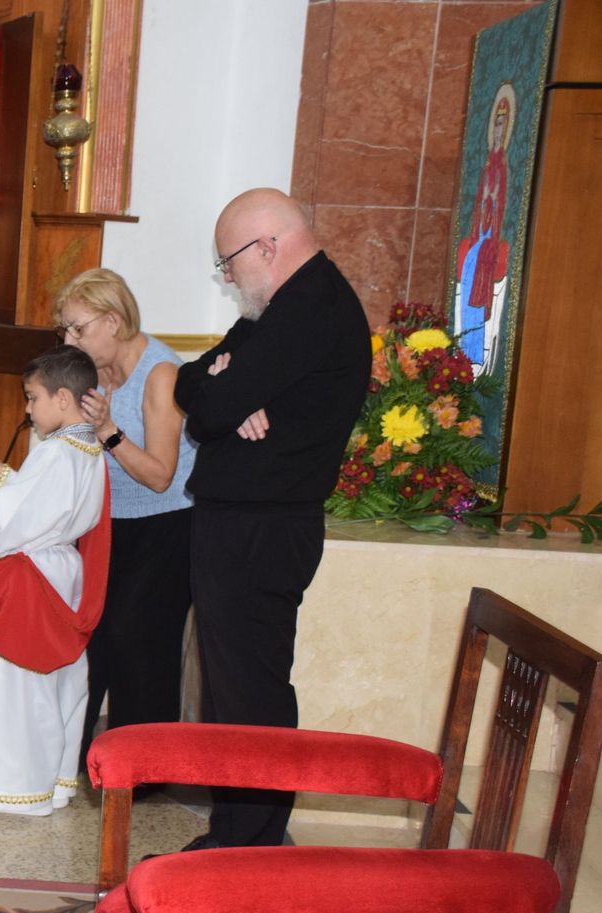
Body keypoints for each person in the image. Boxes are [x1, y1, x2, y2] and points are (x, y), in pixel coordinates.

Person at [171, 187, 371, 849]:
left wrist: (227, 394)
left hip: (264, 529)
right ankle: (234, 834)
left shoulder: (310, 309)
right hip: (242, 523)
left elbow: (205, 410)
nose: (229, 279)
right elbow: (191, 383)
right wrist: (226, 389)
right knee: (231, 693)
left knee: (252, 694)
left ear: (267, 246)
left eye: (229, 264)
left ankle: (251, 846)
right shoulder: (278, 306)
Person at [0, 345, 111, 816]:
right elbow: (44, 506)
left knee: (22, 678)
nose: (27, 408)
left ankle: (16, 784)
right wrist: (5, 475)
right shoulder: (85, 446)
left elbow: (21, 520)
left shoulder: (57, 452)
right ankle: (50, 781)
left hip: (34, 575)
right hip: (56, 571)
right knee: (52, 680)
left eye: (32, 398)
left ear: (61, 398)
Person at [56, 269, 197, 773]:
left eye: (78, 328)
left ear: (113, 321)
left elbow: (161, 475)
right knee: (92, 634)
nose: (70, 340)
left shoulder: (161, 374)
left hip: (165, 526)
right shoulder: (92, 371)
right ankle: (70, 757)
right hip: (106, 524)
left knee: (140, 642)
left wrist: (108, 430)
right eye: (65, 330)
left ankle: (144, 770)